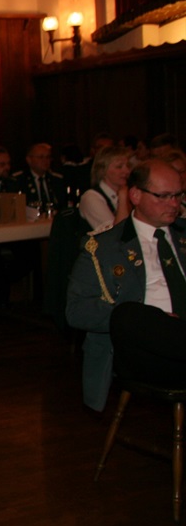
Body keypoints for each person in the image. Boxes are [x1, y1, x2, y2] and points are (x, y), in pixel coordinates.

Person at [67, 160, 186, 410]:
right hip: (146, 352)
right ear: (136, 195)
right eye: (163, 196)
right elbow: (76, 311)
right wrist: (152, 320)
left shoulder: (182, 235)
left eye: (178, 195)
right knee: (129, 313)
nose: (174, 204)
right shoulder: (104, 247)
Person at [78, 145, 132, 231]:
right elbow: (116, 234)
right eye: (119, 167)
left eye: (128, 166)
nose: (127, 171)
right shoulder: (91, 198)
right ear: (103, 170)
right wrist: (123, 198)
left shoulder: (130, 192)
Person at [13, 142, 67, 211]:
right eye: (41, 157)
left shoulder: (57, 180)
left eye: (48, 157)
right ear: (29, 160)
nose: (45, 160)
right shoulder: (19, 180)